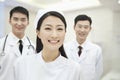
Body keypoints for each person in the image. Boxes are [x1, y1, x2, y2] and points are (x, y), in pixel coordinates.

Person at [13, 9, 81, 80]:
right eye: (48, 28)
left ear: (65, 32)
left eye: (59, 29)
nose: (54, 35)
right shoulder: (21, 64)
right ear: (38, 33)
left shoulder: (74, 69)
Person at [64, 14, 103, 80]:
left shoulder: (96, 50)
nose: (82, 30)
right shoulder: (64, 48)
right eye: (79, 26)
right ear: (74, 27)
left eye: (86, 27)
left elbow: (98, 72)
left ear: (90, 29)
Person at [0, 6, 35, 80]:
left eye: (23, 20)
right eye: (15, 19)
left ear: (28, 22)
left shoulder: (33, 47)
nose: (19, 23)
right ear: (10, 21)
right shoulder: (1, 44)